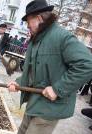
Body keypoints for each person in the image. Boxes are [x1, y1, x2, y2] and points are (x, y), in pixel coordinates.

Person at [7, 0, 92, 134]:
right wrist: (18, 83)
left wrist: (58, 89)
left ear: (39, 18)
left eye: (29, 21)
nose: (27, 25)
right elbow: (33, 72)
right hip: (34, 102)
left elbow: (87, 65)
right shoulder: (36, 40)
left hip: (49, 108)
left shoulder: (61, 37)